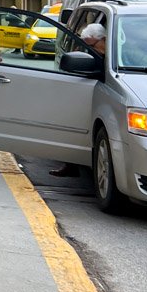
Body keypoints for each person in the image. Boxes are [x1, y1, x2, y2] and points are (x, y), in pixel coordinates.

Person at [50, 22, 108, 178]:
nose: (89, 50)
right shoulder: (89, 52)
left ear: (104, 39)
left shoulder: (115, 55)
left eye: (92, 45)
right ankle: (71, 164)